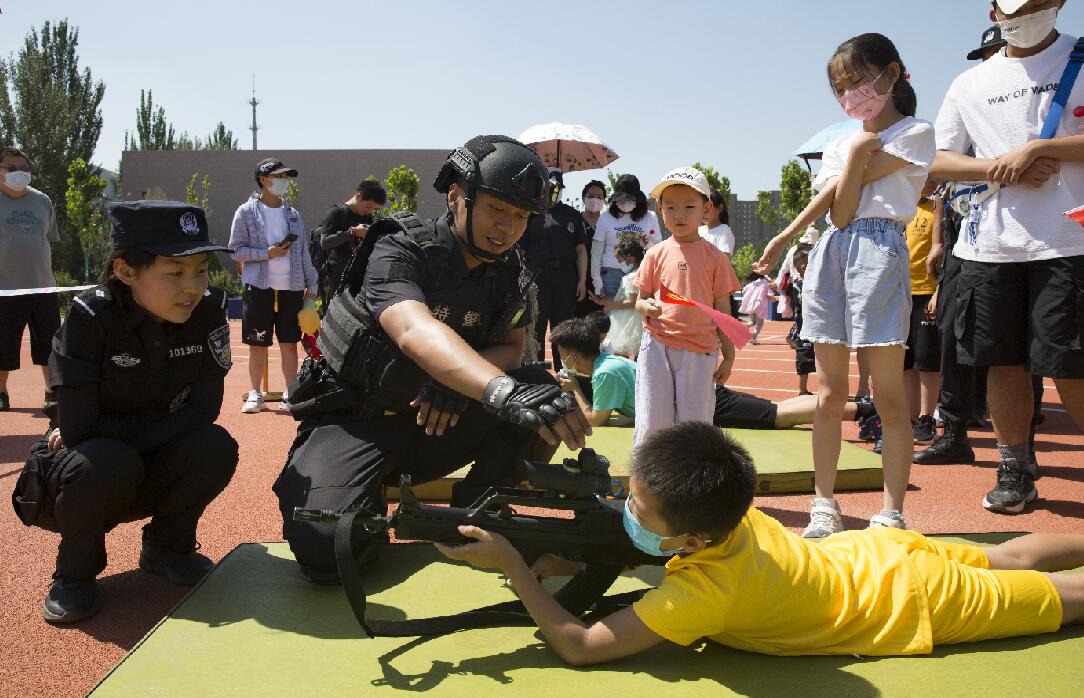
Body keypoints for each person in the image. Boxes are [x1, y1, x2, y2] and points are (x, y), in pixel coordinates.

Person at [437, 421, 1084, 666]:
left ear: (689, 537)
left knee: (1057, 595)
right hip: (877, 553)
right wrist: (576, 550)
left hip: (915, 598)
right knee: (1012, 555)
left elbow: (579, 646)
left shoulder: (701, 593)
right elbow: (651, 542)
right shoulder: (726, 518)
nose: (622, 510)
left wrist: (517, 568)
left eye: (636, 506)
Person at [273, 135, 590, 584]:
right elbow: (412, 328)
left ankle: (481, 506)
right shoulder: (398, 246)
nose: (508, 227)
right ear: (457, 195)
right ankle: (361, 504)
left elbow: (512, 347)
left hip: (435, 423)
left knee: (538, 388)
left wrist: (457, 381)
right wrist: (493, 388)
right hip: (357, 419)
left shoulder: (509, 270)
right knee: (328, 549)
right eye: (497, 210)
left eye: (520, 217)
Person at [10, 200, 238, 623]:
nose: (193, 286)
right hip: (95, 470)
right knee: (102, 463)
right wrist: (145, 435)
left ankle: (167, 548)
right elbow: (78, 429)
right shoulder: (89, 318)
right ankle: (74, 575)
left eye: (201, 269)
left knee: (214, 446)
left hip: (132, 451)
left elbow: (205, 410)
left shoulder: (207, 313)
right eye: (175, 272)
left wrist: (128, 438)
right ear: (125, 271)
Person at [756, 33, 934, 535]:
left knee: (888, 395)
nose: (851, 95)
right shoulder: (843, 142)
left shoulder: (916, 132)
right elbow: (839, 209)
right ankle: (823, 503)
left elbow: (851, 197)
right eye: (841, 88)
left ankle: (892, 510)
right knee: (830, 394)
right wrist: (787, 233)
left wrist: (857, 155)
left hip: (881, 252)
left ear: (892, 73)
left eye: (858, 81)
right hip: (833, 252)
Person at [930, 0, 1084, 513]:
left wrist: (1042, 150)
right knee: (1003, 362)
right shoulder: (969, 82)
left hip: (1070, 242)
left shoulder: (1078, 58)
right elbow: (937, 159)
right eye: (1009, 7)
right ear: (993, 10)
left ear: (1057, 4)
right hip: (988, 246)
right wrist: (1002, 164)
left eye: (1034, 4)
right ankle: (1015, 465)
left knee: (1072, 365)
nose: (1020, 15)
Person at [551, 316, 878, 431]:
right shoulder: (611, 361)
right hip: (699, 396)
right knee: (775, 410)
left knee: (778, 415)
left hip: (703, 403)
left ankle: (865, 409)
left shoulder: (603, 374)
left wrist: (573, 390)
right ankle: (860, 405)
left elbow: (596, 419)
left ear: (571, 355)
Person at [633, 167, 740, 446]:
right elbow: (639, 300)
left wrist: (728, 356)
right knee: (652, 421)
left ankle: (695, 487)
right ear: (660, 210)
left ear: (706, 209)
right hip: (657, 345)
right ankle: (643, 487)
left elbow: (723, 313)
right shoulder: (655, 254)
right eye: (670, 207)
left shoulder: (716, 258)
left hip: (700, 350)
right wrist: (648, 306)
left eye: (689, 206)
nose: (679, 214)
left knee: (697, 425)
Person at [229, 158, 318, 414]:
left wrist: (311, 290)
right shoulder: (245, 212)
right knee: (257, 343)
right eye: (278, 177)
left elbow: (303, 255)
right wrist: (265, 253)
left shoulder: (293, 214)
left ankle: (290, 392)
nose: (284, 182)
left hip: (291, 288)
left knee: (289, 343)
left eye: (286, 177)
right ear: (263, 180)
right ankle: (255, 393)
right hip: (258, 287)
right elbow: (235, 251)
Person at [0, 146, 60, 412]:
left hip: (43, 286)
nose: (19, 173)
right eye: (12, 168)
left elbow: (47, 240)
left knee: (50, 343)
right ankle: (1, 393)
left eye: (24, 169)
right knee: (3, 344)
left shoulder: (42, 201)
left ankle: (52, 392)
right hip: (5, 289)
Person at [520, 168, 589, 366]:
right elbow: (522, 252)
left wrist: (582, 281)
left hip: (566, 277)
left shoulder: (572, 214)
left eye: (556, 188)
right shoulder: (531, 214)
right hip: (537, 276)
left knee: (564, 329)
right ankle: (538, 375)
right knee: (537, 329)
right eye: (549, 188)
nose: (552, 192)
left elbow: (581, 250)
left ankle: (566, 378)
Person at [903, 178, 942, 445]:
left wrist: (939, 291)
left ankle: (927, 417)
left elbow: (944, 251)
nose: (931, 182)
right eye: (926, 178)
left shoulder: (936, 206)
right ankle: (910, 419)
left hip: (927, 292)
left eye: (934, 178)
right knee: (905, 362)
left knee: (927, 360)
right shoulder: (898, 209)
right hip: (899, 295)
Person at [315, 180, 387, 306]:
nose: (369, 211)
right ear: (358, 196)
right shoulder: (336, 213)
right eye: (368, 206)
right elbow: (325, 242)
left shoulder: (367, 218)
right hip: (337, 274)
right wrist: (351, 233)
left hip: (359, 274)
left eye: (373, 209)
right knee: (337, 311)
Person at [591, 174, 662, 299]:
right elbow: (596, 252)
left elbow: (658, 248)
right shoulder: (606, 217)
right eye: (621, 200)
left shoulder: (650, 217)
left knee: (637, 312)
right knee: (613, 313)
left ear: (638, 199)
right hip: (611, 272)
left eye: (629, 200)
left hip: (639, 272)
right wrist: (597, 282)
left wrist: (648, 244)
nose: (625, 204)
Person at [594, 238, 644, 358]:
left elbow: (632, 302)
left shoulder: (633, 276)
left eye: (619, 259)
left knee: (621, 354)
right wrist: (603, 302)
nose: (618, 263)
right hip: (627, 320)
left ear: (630, 258)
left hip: (628, 322)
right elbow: (623, 297)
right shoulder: (634, 274)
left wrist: (611, 305)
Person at [575, 180, 607, 319]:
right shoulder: (575, 220)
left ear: (604, 201)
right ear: (583, 198)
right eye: (591, 196)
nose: (595, 200)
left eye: (599, 197)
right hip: (578, 282)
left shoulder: (608, 222)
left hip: (602, 283)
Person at [738, 272, 773, 344]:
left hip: (751, 304)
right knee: (760, 324)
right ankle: (753, 338)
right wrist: (774, 298)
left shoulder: (752, 283)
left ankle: (743, 328)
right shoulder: (766, 283)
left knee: (752, 322)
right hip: (760, 304)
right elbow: (769, 295)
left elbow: (744, 291)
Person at [699, 188, 735, 255]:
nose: (704, 212)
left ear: (720, 208)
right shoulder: (697, 230)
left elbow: (722, 260)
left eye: (708, 208)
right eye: (701, 208)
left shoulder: (724, 232)